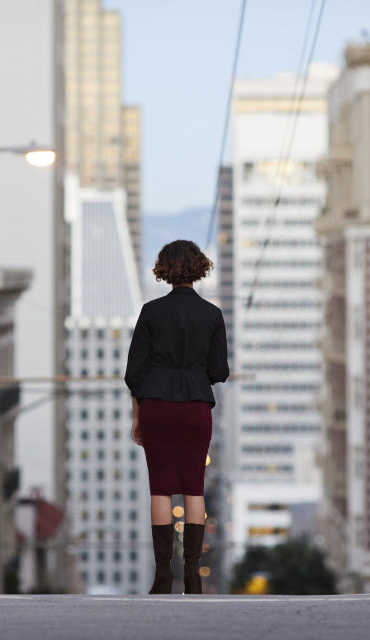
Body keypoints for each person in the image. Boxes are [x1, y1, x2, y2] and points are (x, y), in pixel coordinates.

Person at [124, 239, 230, 595]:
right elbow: (219, 371)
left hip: (156, 404)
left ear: (164, 269)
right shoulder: (212, 315)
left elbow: (134, 373)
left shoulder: (150, 312)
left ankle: (162, 577)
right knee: (193, 488)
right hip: (196, 406)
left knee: (161, 489)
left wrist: (137, 417)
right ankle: (192, 576)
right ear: (199, 268)